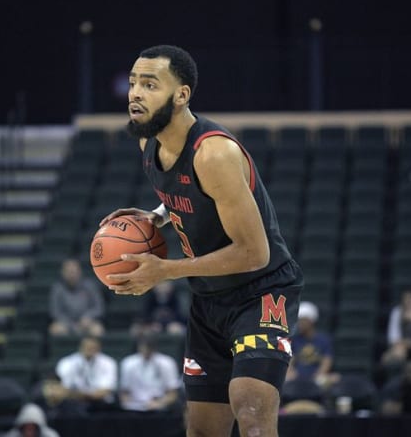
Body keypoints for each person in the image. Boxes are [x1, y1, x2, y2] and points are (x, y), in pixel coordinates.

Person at [100, 45, 304, 437]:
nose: (134, 93)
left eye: (149, 84)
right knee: (203, 430)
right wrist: (156, 217)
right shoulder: (149, 144)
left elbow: (254, 253)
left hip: (261, 291)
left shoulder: (213, 153)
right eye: (131, 83)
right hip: (210, 299)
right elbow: (188, 197)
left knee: (251, 414)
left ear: (182, 95)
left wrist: (166, 271)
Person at [41, 336, 118, 416]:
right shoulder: (67, 362)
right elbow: (62, 390)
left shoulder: (108, 362)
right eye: (87, 347)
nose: (90, 350)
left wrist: (80, 394)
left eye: (93, 347)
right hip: (74, 403)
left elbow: (105, 391)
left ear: (99, 348)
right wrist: (84, 395)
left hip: (101, 404)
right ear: (81, 347)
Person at [118, 333, 183, 412]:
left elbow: (173, 394)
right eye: (143, 347)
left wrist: (160, 403)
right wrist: (130, 404)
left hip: (161, 407)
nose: (146, 350)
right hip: (134, 408)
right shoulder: (128, 363)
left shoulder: (167, 363)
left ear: (154, 347)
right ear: (138, 347)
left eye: (149, 347)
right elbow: (124, 394)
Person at [285, 301, 339, 389]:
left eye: (303, 320)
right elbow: (291, 360)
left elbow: (327, 360)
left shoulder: (323, 340)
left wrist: (318, 375)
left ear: (311, 321)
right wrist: (291, 372)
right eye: (298, 320)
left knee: (333, 378)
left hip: (317, 377)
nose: (300, 323)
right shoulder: (295, 339)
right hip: (297, 377)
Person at [48, 258, 105, 337]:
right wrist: (71, 324)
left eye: (74, 271)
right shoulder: (57, 289)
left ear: (80, 272)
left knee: (97, 330)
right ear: (62, 273)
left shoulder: (90, 286)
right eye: (68, 271)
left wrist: (88, 317)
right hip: (66, 323)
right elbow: (55, 312)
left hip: (87, 322)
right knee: (55, 329)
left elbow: (98, 307)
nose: (72, 274)